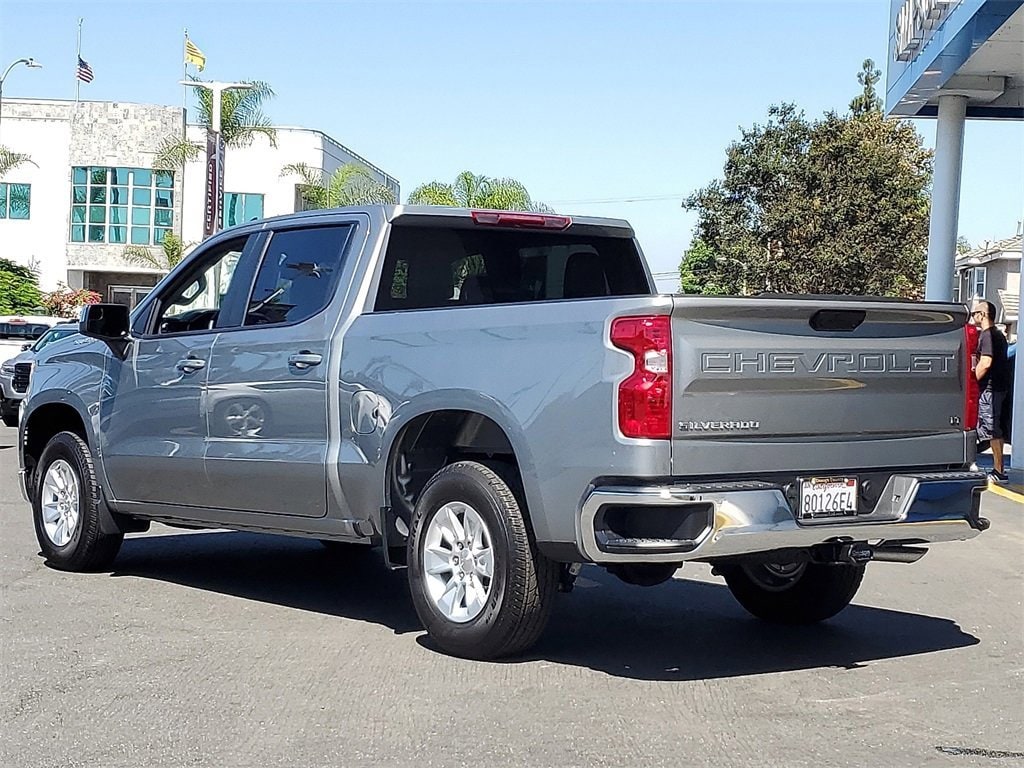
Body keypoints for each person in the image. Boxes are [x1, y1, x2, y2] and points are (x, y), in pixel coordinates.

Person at [972, 299, 1010, 482]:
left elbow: (986, 362)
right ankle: (995, 468)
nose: (973, 317)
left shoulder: (988, 335)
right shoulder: (998, 335)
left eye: (975, 313)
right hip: (997, 388)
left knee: (992, 429)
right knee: (988, 430)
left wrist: (972, 380)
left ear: (983, 315)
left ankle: (999, 471)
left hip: (990, 389)